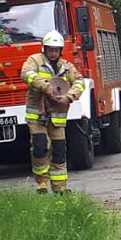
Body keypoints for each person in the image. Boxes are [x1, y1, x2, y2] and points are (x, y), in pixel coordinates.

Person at [21, 30, 85, 194]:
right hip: (37, 116)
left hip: (57, 118)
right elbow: (26, 74)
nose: (53, 53)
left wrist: (69, 97)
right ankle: (42, 183)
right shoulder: (35, 60)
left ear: (60, 50)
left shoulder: (66, 67)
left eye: (56, 50)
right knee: (40, 147)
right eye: (50, 49)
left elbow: (80, 82)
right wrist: (45, 86)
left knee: (59, 151)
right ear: (45, 49)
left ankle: (60, 188)